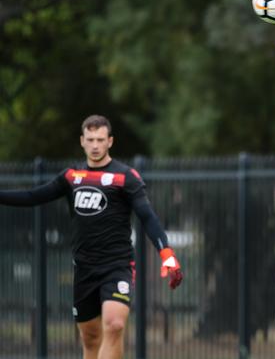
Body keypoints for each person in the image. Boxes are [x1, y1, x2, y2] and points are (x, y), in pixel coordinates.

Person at [0, 115, 183, 359]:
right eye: (90, 139)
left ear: (110, 141)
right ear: (82, 141)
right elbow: (33, 196)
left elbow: (147, 216)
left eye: (100, 139)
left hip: (117, 266)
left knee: (115, 325)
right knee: (91, 338)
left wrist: (167, 254)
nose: (95, 145)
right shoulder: (71, 177)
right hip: (84, 268)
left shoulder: (125, 177)